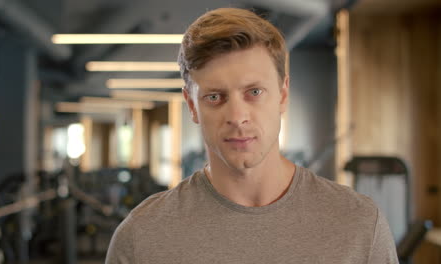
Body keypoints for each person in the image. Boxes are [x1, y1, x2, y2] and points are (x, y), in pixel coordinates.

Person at [105, 7, 398, 263]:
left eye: (254, 92)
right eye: (215, 97)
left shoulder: (359, 224)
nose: (237, 116)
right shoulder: (141, 236)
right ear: (192, 106)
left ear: (283, 95)